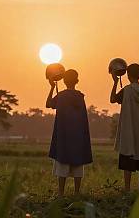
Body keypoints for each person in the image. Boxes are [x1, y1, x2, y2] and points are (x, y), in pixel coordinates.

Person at [110, 63, 139, 191]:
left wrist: (115, 82)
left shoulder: (127, 90)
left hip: (129, 130)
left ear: (128, 75)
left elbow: (112, 99)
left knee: (127, 161)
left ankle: (127, 189)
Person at [46, 69, 93, 197]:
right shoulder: (80, 97)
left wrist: (52, 87)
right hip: (78, 136)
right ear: (77, 81)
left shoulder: (61, 96)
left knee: (62, 163)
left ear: (64, 81)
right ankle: (77, 193)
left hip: (64, 136)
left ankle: (61, 193)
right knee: (78, 164)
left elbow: (48, 104)